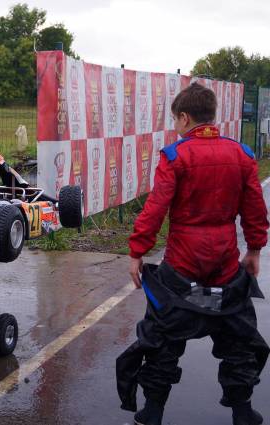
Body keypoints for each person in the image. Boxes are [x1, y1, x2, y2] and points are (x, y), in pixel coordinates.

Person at [116, 82, 270, 425]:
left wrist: (137, 251)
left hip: (182, 266)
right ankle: (243, 412)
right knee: (238, 336)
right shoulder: (242, 154)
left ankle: (152, 411)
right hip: (225, 265)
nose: (176, 126)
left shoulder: (175, 156)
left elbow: (155, 209)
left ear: (185, 118)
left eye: (176, 120)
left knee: (162, 334)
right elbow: (255, 210)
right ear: (211, 115)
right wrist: (254, 249)